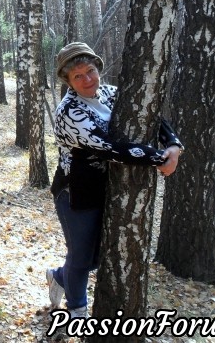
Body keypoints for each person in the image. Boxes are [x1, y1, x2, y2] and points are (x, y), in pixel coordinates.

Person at [46, 42, 183, 318]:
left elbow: (153, 117)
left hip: (106, 187)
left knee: (97, 256)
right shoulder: (69, 112)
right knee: (82, 257)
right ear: (68, 81)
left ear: (99, 68)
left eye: (90, 71)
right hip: (76, 192)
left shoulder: (111, 93)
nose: (87, 80)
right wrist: (160, 158)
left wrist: (174, 145)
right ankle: (77, 313)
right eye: (78, 76)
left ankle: (59, 276)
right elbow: (110, 148)